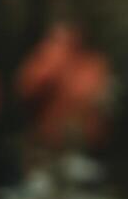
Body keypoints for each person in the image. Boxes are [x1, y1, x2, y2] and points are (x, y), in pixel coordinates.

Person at [15, 19, 113, 158]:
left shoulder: (96, 63)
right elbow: (26, 88)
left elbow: (102, 102)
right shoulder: (51, 53)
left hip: (85, 147)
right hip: (47, 144)